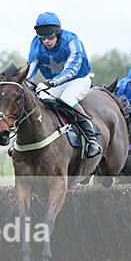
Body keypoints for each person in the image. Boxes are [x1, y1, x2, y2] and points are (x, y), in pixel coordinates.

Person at [27, 12, 102, 158]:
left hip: (78, 79)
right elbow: (31, 65)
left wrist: (51, 83)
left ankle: (92, 138)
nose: (46, 41)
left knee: (68, 99)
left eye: (50, 37)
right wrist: (27, 83)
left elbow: (72, 69)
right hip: (55, 82)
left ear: (58, 32)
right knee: (41, 98)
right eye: (43, 38)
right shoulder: (36, 43)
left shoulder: (72, 41)